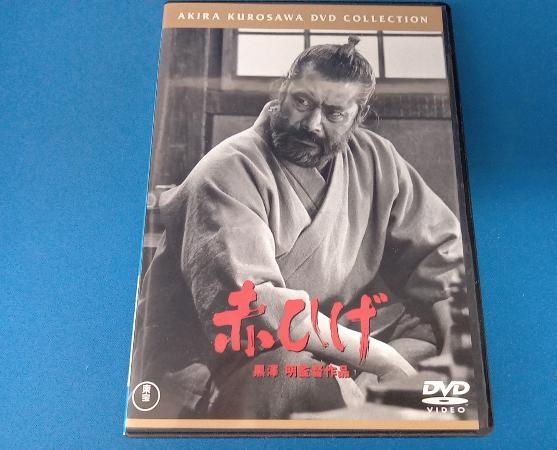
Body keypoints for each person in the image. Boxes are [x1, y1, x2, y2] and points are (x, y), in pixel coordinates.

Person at [131, 36, 464, 419]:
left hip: (336, 335)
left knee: (430, 336)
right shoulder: (226, 171)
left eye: (335, 113)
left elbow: (441, 253)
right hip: (233, 355)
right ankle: (352, 399)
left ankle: (360, 396)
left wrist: (454, 352)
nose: (312, 124)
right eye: (302, 102)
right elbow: (254, 307)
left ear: (358, 116)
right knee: (295, 376)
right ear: (282, 89)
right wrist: (381, 358)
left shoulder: (376, 158)